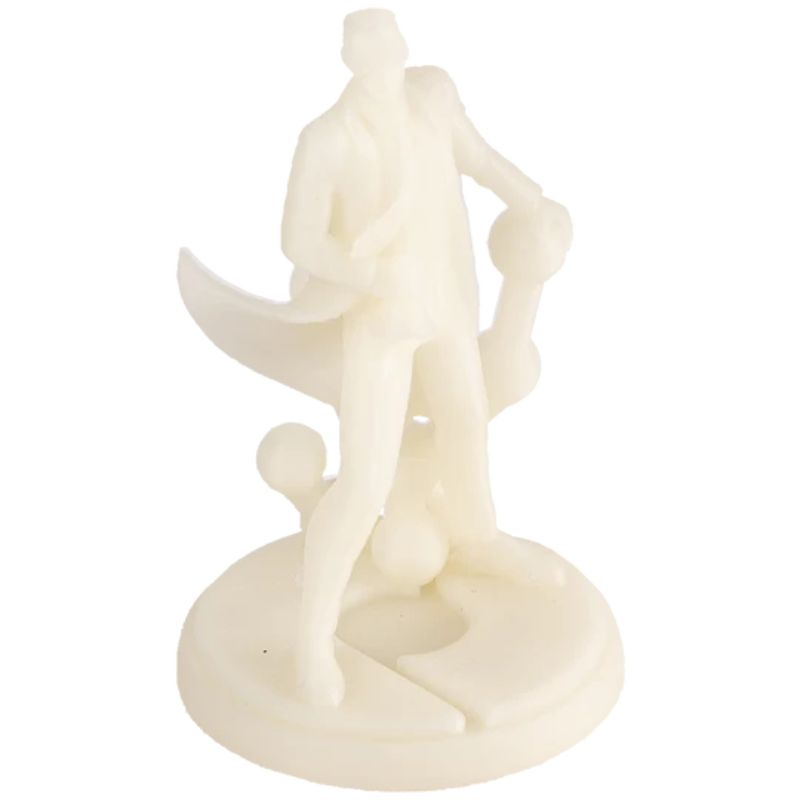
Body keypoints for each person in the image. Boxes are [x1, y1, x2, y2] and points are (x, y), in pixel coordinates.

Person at [282, 9, 560, 706]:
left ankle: (479, 540)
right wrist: (366, 275)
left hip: (448, 306)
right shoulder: (327, 139)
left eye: (389, 46)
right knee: (363, 483)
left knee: (467, 423)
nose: (382, 63)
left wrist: (533, 203)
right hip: (381, 323)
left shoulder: (433, 96)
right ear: (348, 59)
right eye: (366, 51)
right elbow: (299, 239)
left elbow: (480, 158)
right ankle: (313, 641)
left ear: (403, 47)